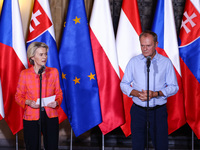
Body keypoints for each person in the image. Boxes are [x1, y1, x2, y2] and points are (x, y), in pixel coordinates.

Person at [120, 31, 179, 150]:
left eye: (148, 45)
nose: (145, 49)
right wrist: (136, 93)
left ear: (156, 44)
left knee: (161, 145)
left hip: (158, 111)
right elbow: (124, 84)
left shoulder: (165, 62)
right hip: (138, 111)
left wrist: (156, 94)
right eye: (142, 45)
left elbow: (174, 87)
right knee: (138, 146)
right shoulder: (134, 62)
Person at [15, 42, 63, 150]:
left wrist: (56, 102)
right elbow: (18, 96)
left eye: (45, 54)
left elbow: (59, 93)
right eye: (41, 54)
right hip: (31, 116)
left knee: (52, 147)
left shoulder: (53, 72)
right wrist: (28, 102)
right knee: (32, 147)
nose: (44, 57)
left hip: (50, 115)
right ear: (32, 57)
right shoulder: (25, 74)